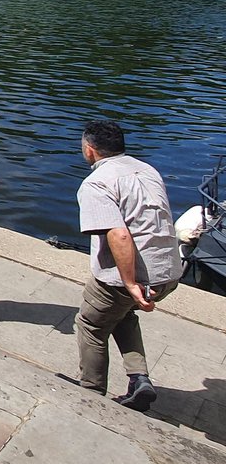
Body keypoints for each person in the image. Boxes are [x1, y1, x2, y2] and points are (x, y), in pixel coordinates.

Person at [74, 120, 181, 411]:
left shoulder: (96, 182)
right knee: (122, 315)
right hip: (169, 272)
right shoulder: (147, 170)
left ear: (90, 150)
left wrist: (131, 283)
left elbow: (119, 234)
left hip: (130, 276)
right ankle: (139, 379)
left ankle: (90, 393)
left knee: (91, 324)